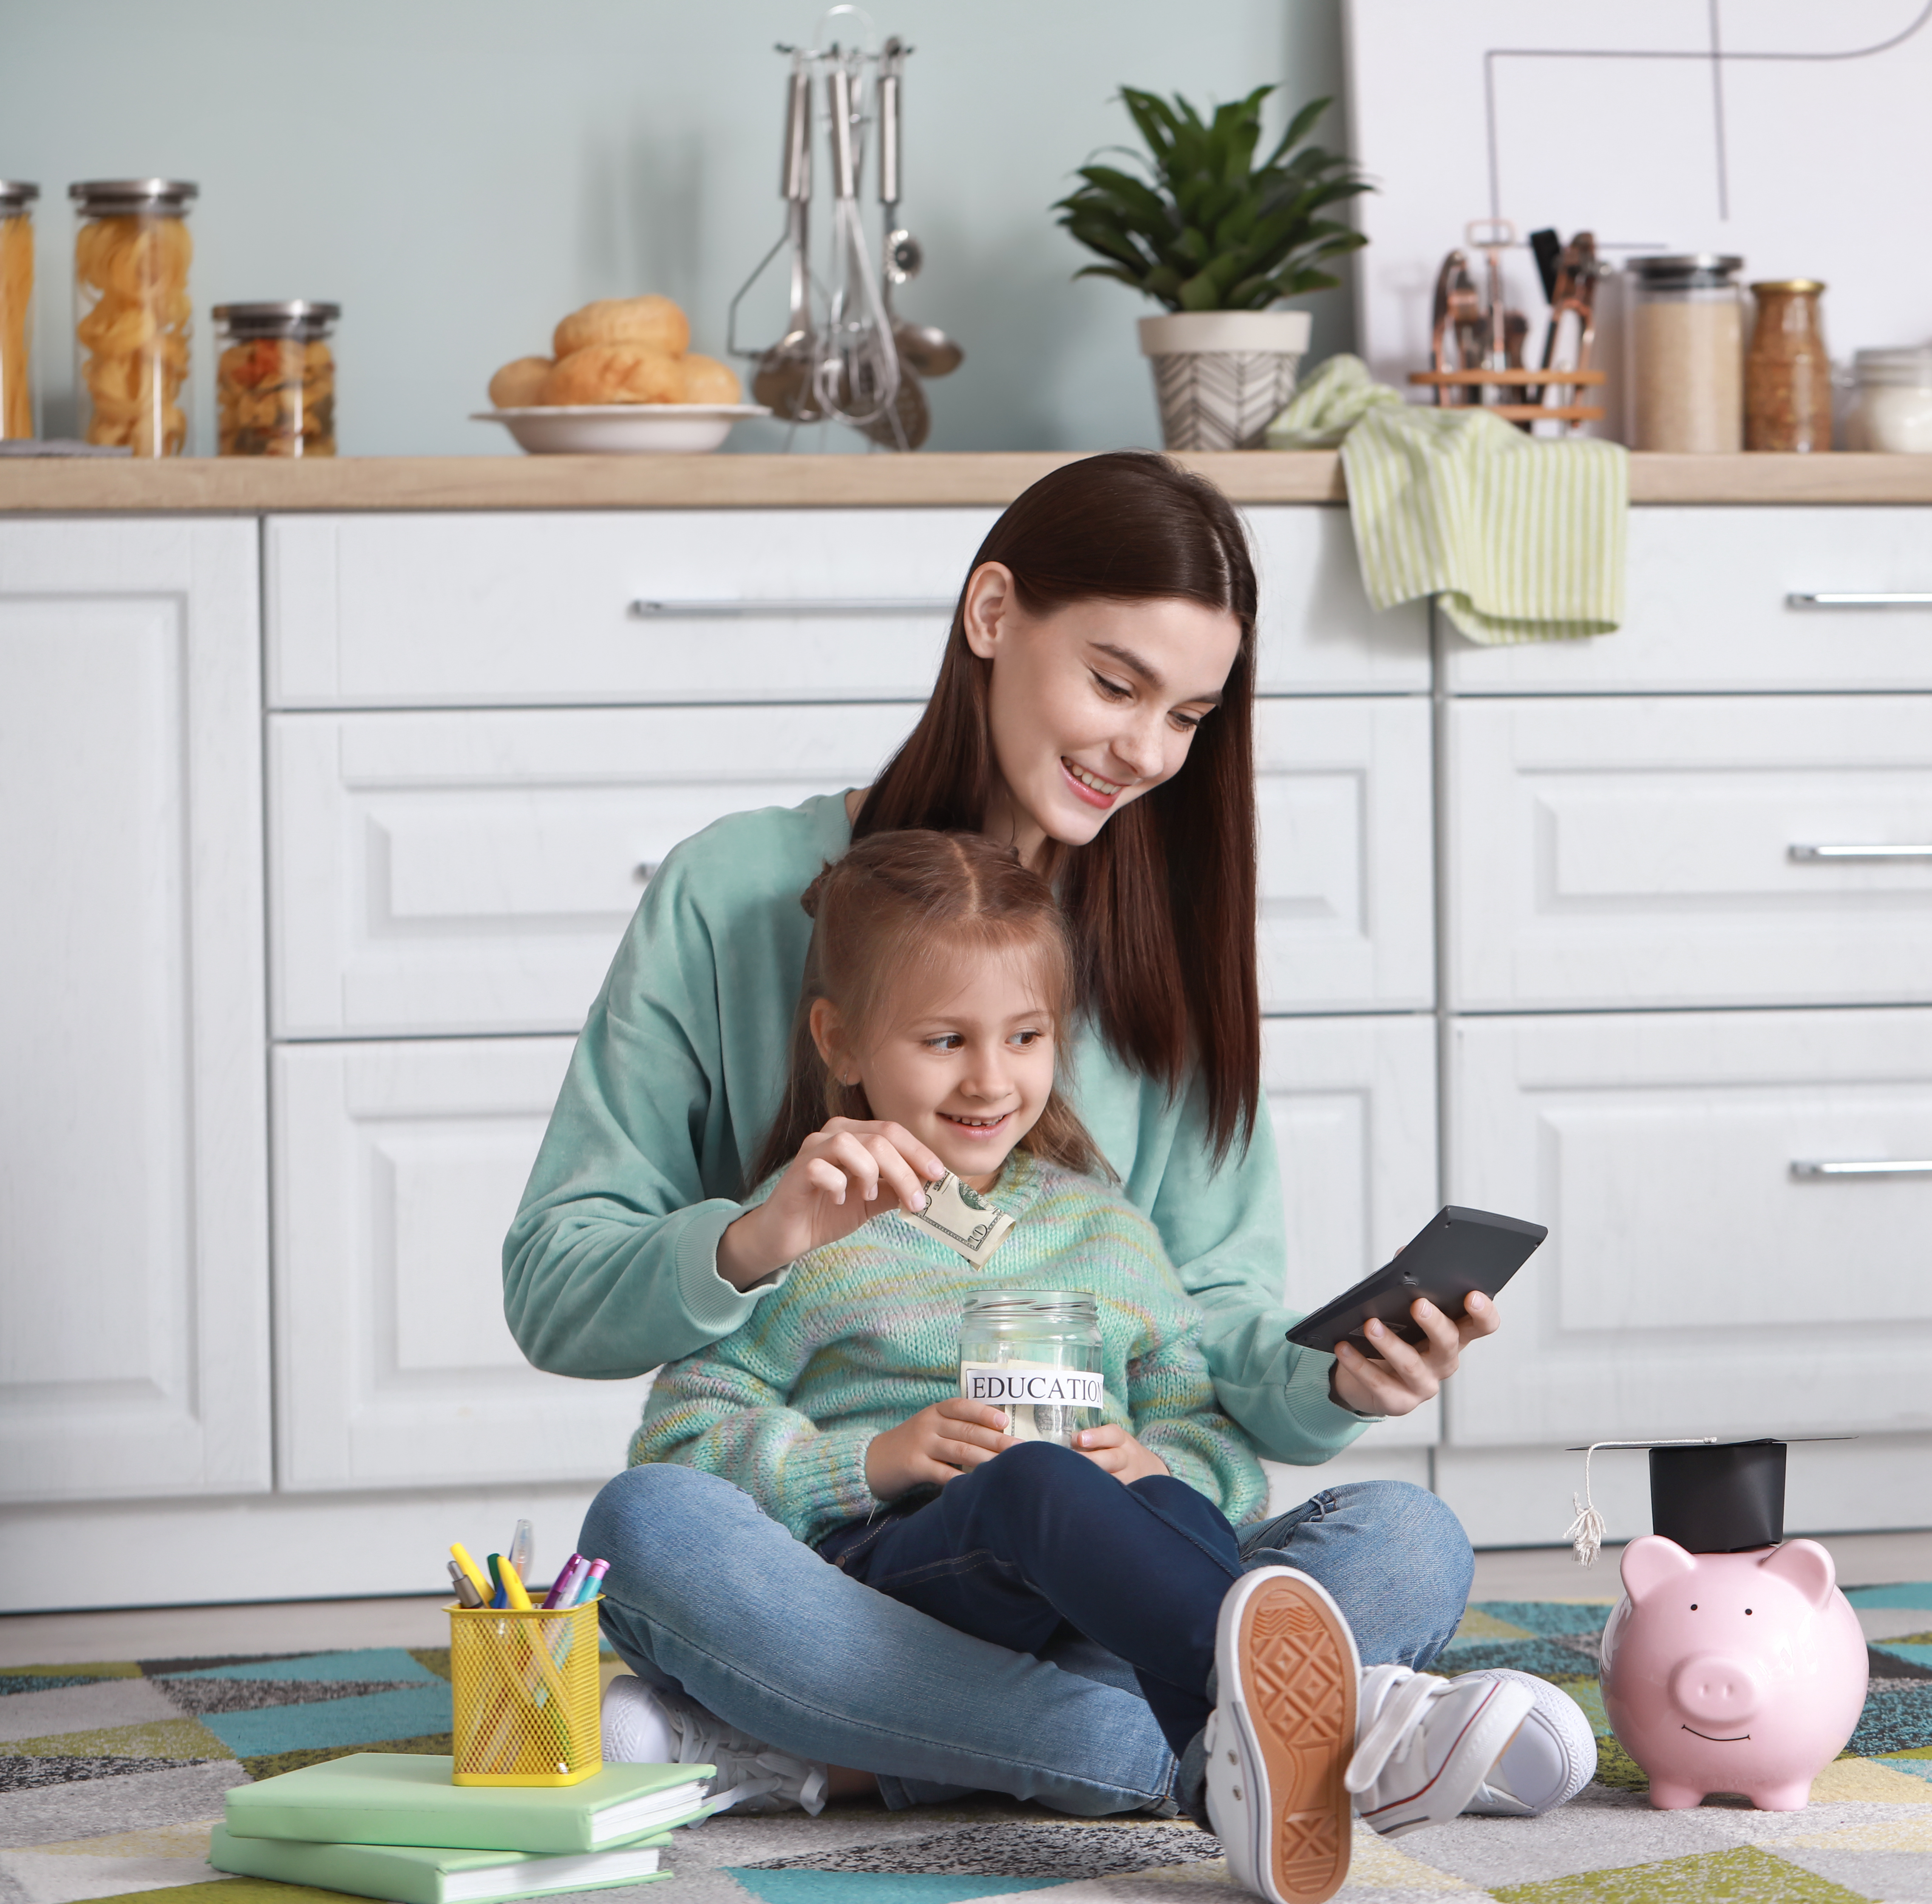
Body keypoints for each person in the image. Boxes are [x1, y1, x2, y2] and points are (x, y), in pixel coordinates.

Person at [504, 453, 1583, 1819]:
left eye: (1189, 713)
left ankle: (879, 1746)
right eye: (1116, 684)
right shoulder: (731, 895)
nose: (1144, 751)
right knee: (648, 1533)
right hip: (840, 1563)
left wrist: (1339, 1381)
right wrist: (755, 1237)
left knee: (1409, 1538)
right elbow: (555, 1287)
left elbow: (1202, 1345)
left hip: (1103, 1574)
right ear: (994, 613)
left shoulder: (1163, 958)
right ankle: (1263, 1738)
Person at [615, 830, 1561, 1901]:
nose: (990, 1077)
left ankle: (980, 1749)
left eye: (1025, 1036)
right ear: (841, 1039)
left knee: (1411, 1530)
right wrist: (871, 1460)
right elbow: (684, 1437)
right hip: (888, 1584)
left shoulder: (1106, 1229)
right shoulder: (809, 1216)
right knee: (645, 1518)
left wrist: (1161, 1470)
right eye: (942, 1039)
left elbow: (1200, 1422)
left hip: (1105, 1612)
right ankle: (1322, 1726)